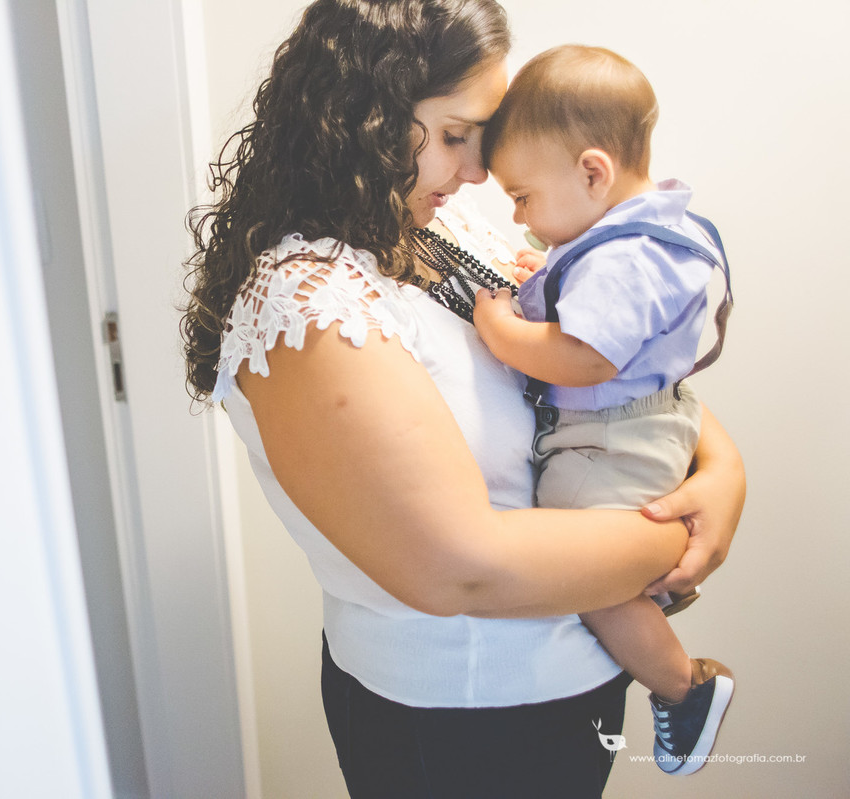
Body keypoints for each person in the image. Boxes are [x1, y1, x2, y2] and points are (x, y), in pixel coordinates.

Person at [182, 2, 745, 796]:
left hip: (564, 679)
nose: (479, 170)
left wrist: (722, 471)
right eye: (453, 135)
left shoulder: (437, 224)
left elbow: (607, 366)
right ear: (361, 116)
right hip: (468, 720)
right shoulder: (309, 306)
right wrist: (680, 533)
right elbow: (463, 567)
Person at [472, 44, 735, 777]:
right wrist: (544, 282)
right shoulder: (636, 237)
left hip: (613, 438)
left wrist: (500, 327)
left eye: (523, 196)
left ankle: (684, 686)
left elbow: (587, 357)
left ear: (593, 172)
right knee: (592, 559)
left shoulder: (623, 257)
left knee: (578, 566)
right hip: (644, 424)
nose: (518, 215)